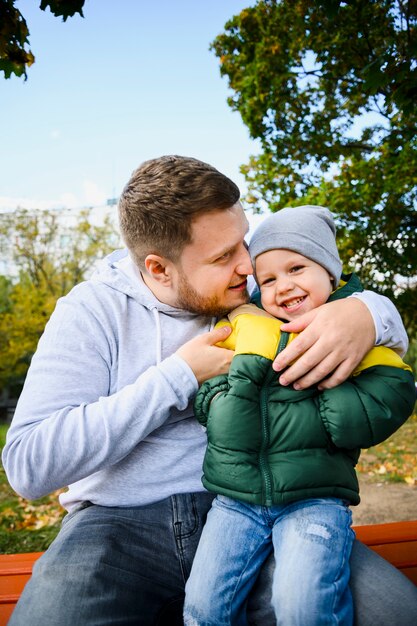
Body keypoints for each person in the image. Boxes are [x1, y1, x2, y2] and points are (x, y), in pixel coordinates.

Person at [2, 156, 416, 626]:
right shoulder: (92, 312)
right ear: (159, 269)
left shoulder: (258, 289)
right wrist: (177, 377)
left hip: (262, 503)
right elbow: (28, 465)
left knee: (396, 613)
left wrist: (370, 313)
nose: (247, 265)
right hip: (115, 527)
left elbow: (332, 286)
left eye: (242, 240)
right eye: (223, 256)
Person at [182, 206, 415, 626]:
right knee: (203, 608)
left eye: (296, 268)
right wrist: (218, 402)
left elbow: (391, 394)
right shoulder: (247, 325)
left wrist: (329, 401)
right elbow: (209, 378)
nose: (283, 286)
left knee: (304, 606)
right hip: (235, 499)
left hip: (314, 498)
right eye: (268, 279)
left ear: (329, 272)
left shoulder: (352, 331)